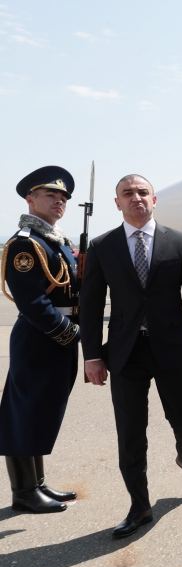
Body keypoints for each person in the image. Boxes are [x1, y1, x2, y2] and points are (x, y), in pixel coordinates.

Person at [79, 174, 182, 538]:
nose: (135, 197)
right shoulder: (103, 246)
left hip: (171, 348)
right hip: (125, 352)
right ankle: (139, 506)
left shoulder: (178, 242)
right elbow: (90, 305)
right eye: (127, 193)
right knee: (130, 432)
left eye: (142, 192)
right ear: (117, 203)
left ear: (154, 200)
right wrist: (91, 355)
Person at [0, 166, 80, 513]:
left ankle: (38, 483)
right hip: (39, 338)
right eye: (51, 195)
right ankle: (23, 492)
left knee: (42, 411)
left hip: (57, 338)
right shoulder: (26, 243)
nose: (59, 201)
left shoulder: (55, 242)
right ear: (30, 199)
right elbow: (32, 302)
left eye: (63, 197)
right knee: (24, 412)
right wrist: (69, 332)